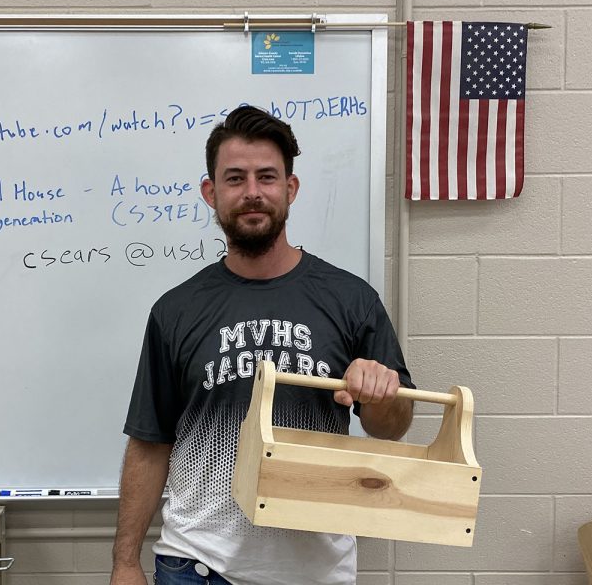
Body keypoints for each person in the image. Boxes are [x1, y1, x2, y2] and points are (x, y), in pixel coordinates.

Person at [110, 106, 414, 585]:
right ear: (211, 193)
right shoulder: (176, 310)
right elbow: (150, 443)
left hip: (315, 570)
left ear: (289, 189)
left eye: (267, 177)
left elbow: (391, 427)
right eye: (235, 178)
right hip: (196, 564)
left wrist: (380, 394)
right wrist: (125, 561)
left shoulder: (351, 299)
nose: (252, 192)